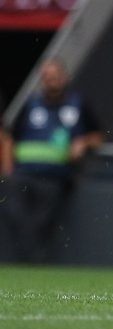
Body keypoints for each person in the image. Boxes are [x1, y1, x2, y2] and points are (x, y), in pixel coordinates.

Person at [0, 60, 102, 262]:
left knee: (42, 222)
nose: (51, 81)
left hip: (56, 177)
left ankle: (33, 263)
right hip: (23, 175)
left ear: (64, 78)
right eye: (47, 77)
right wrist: (7, 170)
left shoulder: (78, 104)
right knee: (16, 216)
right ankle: (24, 261)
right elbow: (10, 137)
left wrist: (83, 141)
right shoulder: (31, 104)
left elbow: (99, 135)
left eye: (55, 76)